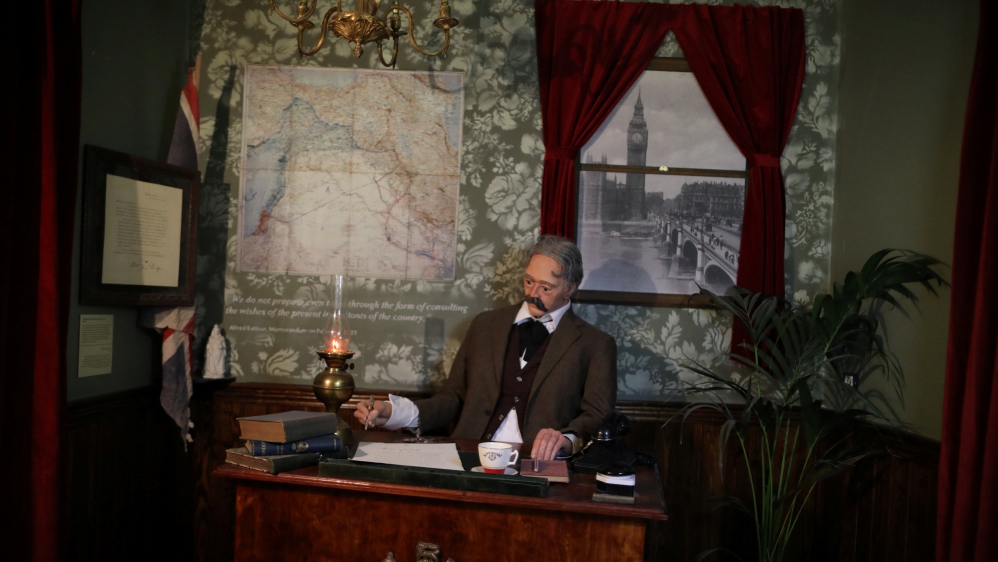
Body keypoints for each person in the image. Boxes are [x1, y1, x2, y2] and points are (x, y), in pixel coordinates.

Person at [355, 236, 617, 460]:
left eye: (546, 287)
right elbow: (454, 398)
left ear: (570, 288)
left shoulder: (595, 345)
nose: (533, 292)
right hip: (467, 456)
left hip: (536, 465)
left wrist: (566, 439)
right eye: (528, 281)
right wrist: (394, 413)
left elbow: (596, 415)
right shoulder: (485, 325)